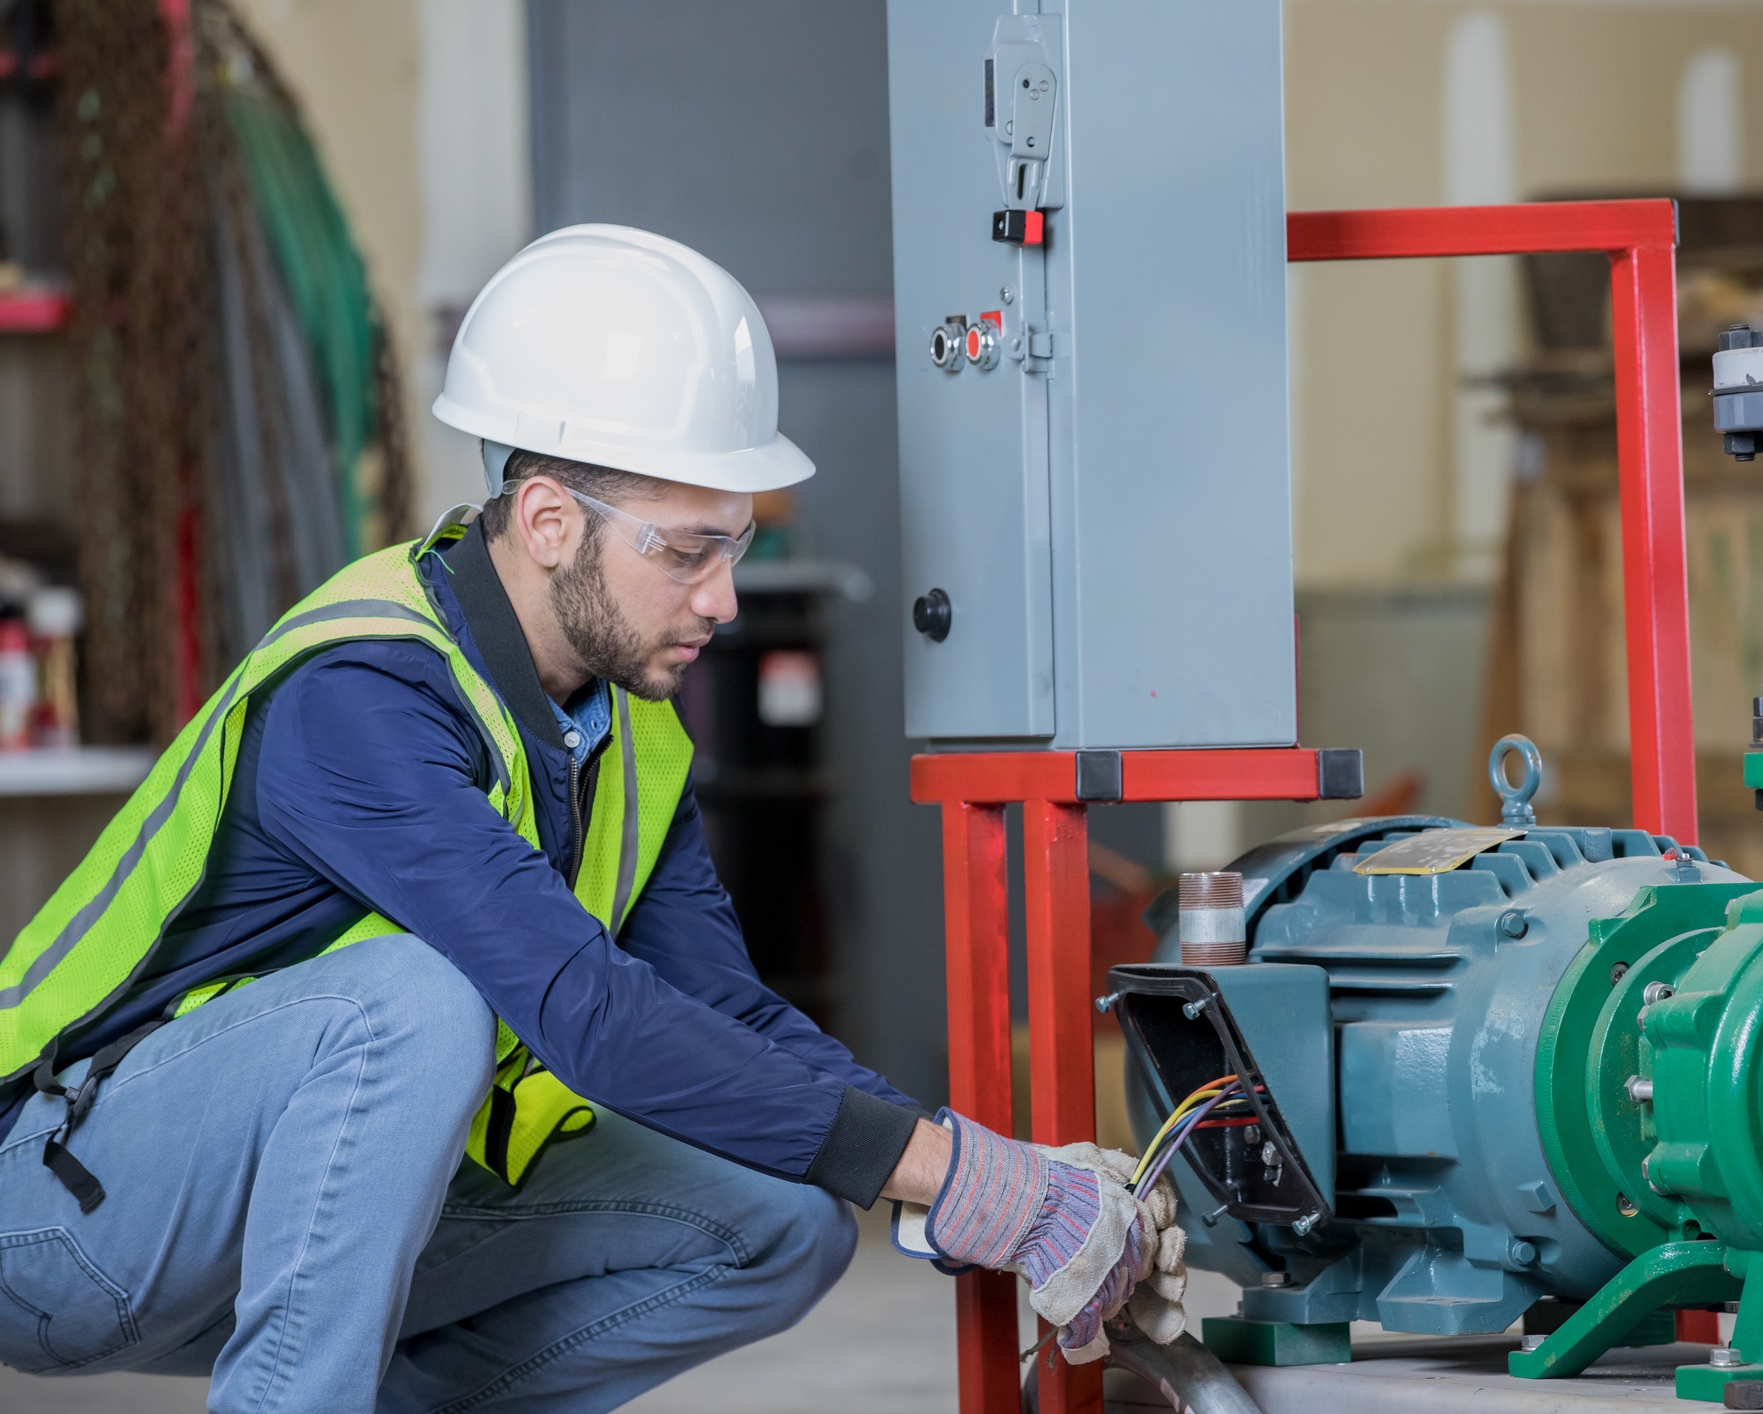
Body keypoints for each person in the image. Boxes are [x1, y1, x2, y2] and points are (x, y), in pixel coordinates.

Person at [0, 225, 1179, 1413]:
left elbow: (725, 1012)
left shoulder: (625, 728)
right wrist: (964, 1179)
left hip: (300, 1218)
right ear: (552, 520)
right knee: (417, 1000)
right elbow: (593, 1016)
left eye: (739, 543)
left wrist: (974, 1165)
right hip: (62, 1211)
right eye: (688, 551)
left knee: (782, 1218)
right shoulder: (358, 696)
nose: (723, 598)